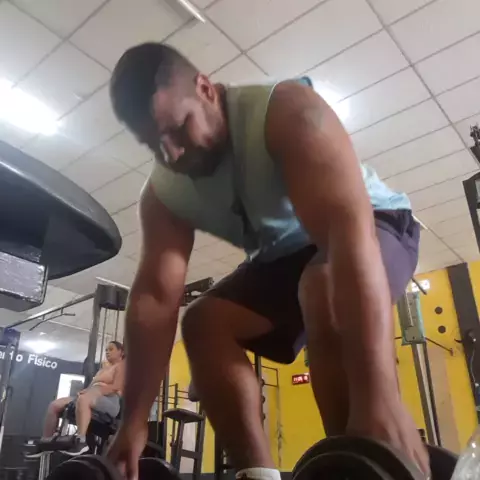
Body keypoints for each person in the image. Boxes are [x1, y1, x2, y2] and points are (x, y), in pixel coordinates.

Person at [107, 43, 429, 480]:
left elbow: (347, 239)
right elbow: (155, 299)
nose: (171, 154)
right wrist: (132, 422)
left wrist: (379, 398)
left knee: (322, 284)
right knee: (202, 323)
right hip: (284, 257)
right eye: (152, 144)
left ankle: (361, 459)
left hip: (373, 225)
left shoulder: (289, 113)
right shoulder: (163, 195)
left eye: (179, 128)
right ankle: (257, 474)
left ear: (205, 89)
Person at [40, 341, 125, 456]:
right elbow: (92, 387)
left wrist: (94, 392)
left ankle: (81, 441)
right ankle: (46, 441)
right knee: (54, 405)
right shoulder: (102, 369)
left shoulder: (121, 367)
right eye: (106, 350)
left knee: (84, 399)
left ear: (121, 352)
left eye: (111, 349)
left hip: (110, 401)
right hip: (92, 396)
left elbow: (116, 387)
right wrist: (87, 391)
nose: (107, 352)